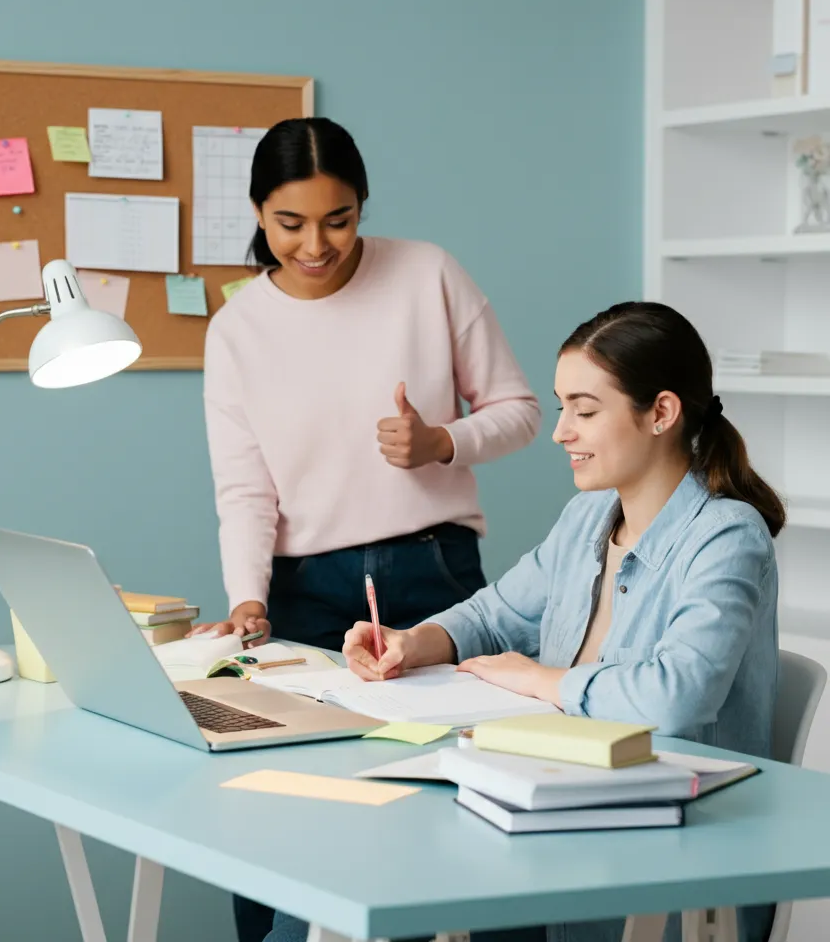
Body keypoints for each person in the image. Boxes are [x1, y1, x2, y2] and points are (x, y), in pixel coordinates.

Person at [268, 301, 784, 942]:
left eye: (584, 410)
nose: (561, 430)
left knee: (363, 889)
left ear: (661, 413)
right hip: (554, 806)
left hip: (659, 853)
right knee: (325, 881)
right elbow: (495, 613)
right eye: (562, 407)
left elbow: (676, 697)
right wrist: (414, 642)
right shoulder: (588, 518)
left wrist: (541, 680)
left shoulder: (728, 535)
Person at [196, 117, 541, 942]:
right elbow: (246, 489)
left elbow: (522, 412)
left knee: (447, 797)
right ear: (256, 211)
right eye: (290, 224)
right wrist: (247, 602)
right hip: (301, 590)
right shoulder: (237, 330)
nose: (317, 244)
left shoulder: (428, 274)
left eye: (339, 219)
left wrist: (441, 442)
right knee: (273, 802)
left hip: (431, 577)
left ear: (363, 206)